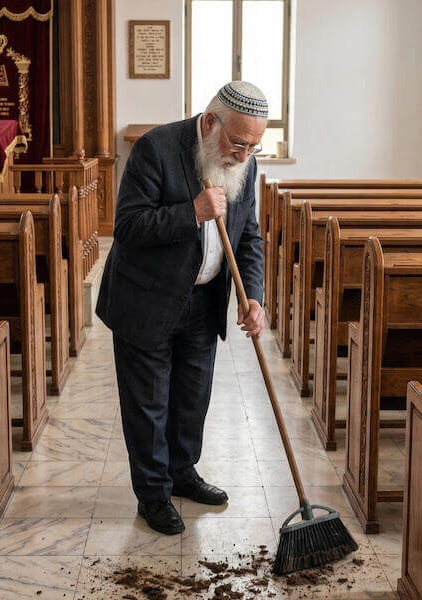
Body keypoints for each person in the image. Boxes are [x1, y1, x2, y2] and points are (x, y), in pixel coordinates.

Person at [96, 81, 267, 534]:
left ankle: (183, 472)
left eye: (254, 147)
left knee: (192, 398)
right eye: (238, 144)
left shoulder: (244, 165)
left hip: (203, 300)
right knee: (149, 404)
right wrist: (191, 211)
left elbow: (248, 237)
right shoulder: (156, 148)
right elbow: (127, 226)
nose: (243, 156)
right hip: (146, 299)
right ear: (211, 122)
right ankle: (153, 493)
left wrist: (254, 296)